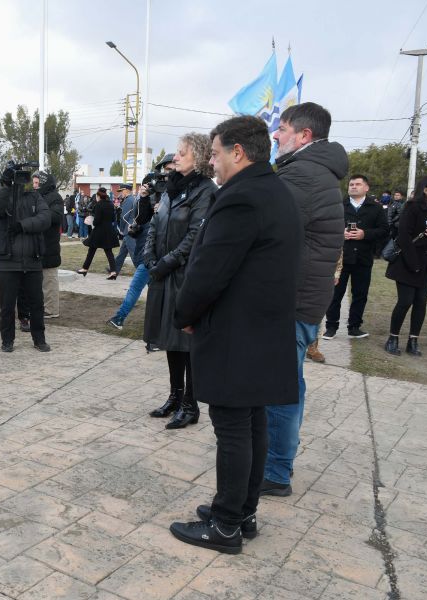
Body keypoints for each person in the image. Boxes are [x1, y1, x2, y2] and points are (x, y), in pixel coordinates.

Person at [170, 116, 301, 554]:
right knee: (251, 421)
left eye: (217, 152)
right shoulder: (273, 190)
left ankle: (225, 526)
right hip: (260, 329)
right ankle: (241, 513)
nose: (213, 161)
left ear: (238, 152)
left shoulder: (241, 198)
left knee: (233, 427)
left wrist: (186, 312)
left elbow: (211, 269)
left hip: (236, 332)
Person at [261, 102, 347, 497]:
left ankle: (275, 471)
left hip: (291, 299)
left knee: (281, 387)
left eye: (281, 128)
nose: (275, 135)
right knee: (289, 382)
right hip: (303, 296)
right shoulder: (313, 171)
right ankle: (277, 461)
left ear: (304, 136)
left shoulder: (304, 175)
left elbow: (264, 231)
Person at [142, 133, 216, 428]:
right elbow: (154, 224)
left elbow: (195, 236)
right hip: (162, 274)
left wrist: (166, 263)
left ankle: (191, 404)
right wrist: (149, 258)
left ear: (198, 157)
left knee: (188, 342)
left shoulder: (205, 191)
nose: (175, 158)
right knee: (170, 339)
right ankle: (174, 396)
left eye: (181, 153)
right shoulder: (170, 189)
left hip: (184, 275)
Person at [0, 163, 51, 352]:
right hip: (7, 261)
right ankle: (7, 340)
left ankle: (39, 339)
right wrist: (5, 186)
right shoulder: (3, 196)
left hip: (32, 260)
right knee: (6, 306)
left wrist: (23, 225)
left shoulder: (35, 196)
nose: (23, 181)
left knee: (37, 305)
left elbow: (45, 218)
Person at [322, 174, 388, 339]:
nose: (353, 186)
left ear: (366, 187)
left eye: (358, 184)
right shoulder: (339, 205)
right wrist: (340, 233)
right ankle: (331, 327)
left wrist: (364, 234)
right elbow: (326, 226)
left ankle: (354, 326)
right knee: (335, 293)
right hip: (341, 257)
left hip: (363, 257)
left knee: (360, 294)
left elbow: (384, 230)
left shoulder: (375, 207)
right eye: (351, 184)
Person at [384, 175, 427, 356]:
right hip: (408, 264)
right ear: (425, 189)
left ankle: (413, 340)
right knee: (405, 301)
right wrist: (413, 263)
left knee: (421, 303)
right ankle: (392, 338)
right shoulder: (412, 207)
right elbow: (403, 237)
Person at [107, 179, 155, 330]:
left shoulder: (139, 202)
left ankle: (120, 318)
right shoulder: (144, 202)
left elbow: (129, 218)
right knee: (149, 288)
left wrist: (125, 229)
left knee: (138, 287)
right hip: (148, 251)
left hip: (149, 252)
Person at [34, 171, 64, 318]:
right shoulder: (37, 196)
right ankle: (42, 306)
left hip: (49, 244)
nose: (34, 186)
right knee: (40, 281)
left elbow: (56, 217)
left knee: (49, 280)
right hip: (37, 244)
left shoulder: (55, 198)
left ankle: (52, 309)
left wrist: (38, 212)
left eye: (37, 183)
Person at [76, 187, 119, 278]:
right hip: (109, 230)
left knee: (91, 250)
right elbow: (113, 219)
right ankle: (113, 271)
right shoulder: (111, 204)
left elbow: (96, 221)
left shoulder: (99, 205)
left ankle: (85, 268)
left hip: (99, 231)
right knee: (109, 252)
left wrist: (92, 221)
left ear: (98, 196)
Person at [113, 184, 137, 275]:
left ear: (127, 190)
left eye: (122, 191)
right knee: (122, 252)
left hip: (128, 229)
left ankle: (142, 271)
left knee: (134, 253)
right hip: (131, 228)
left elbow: (124, 217)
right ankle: (114, 269)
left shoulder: (128, 200)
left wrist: (122, 229)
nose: (121, 193)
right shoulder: (133, 199)